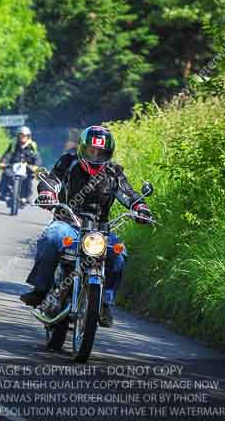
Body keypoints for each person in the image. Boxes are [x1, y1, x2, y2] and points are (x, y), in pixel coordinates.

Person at [20, 125, 153, 327]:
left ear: (109, 153)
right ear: (83, 148)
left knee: (118, 252)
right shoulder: (68, 162)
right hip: (68, 223)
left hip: (99, 230)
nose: (96, 155)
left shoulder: (113, 172)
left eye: (101, 152)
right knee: (51, 238)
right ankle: (41, 290)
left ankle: (105, 303)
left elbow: (128, 193)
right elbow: (53, 179)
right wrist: (48, 194)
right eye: (92, 150)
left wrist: (140, 207)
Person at [0, 125, 41, 204]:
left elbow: (37, 157)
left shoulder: (32, 146)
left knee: (29, 177)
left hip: (27, 167)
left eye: (24, 136)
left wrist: (36, 166)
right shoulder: (14, 144)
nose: (23, 137)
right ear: (18, 135)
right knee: (6, 173)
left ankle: (27, 196)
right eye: (21, 135)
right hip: (13, 166)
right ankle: (4, 193)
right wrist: (3, 162)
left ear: (28, 136)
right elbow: (7, 154)